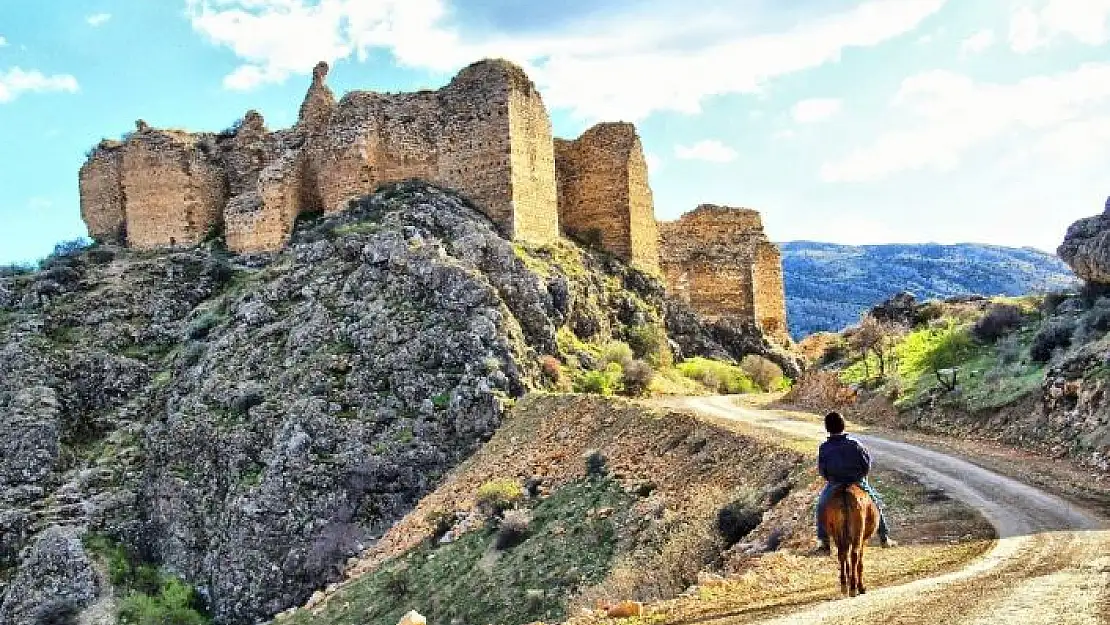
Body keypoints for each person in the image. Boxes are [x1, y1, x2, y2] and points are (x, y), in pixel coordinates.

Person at [815, 411, 896, 553]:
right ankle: (884, 537)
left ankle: (823, 541)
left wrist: (831, 478)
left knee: (821, 505)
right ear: (843, 426)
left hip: (835, 483)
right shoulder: (855, 444)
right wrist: (861, 477)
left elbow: (822, 469)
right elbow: (866, 464)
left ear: (827, 428)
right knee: (875, 502)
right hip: (856, 481)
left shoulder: (824, 447)